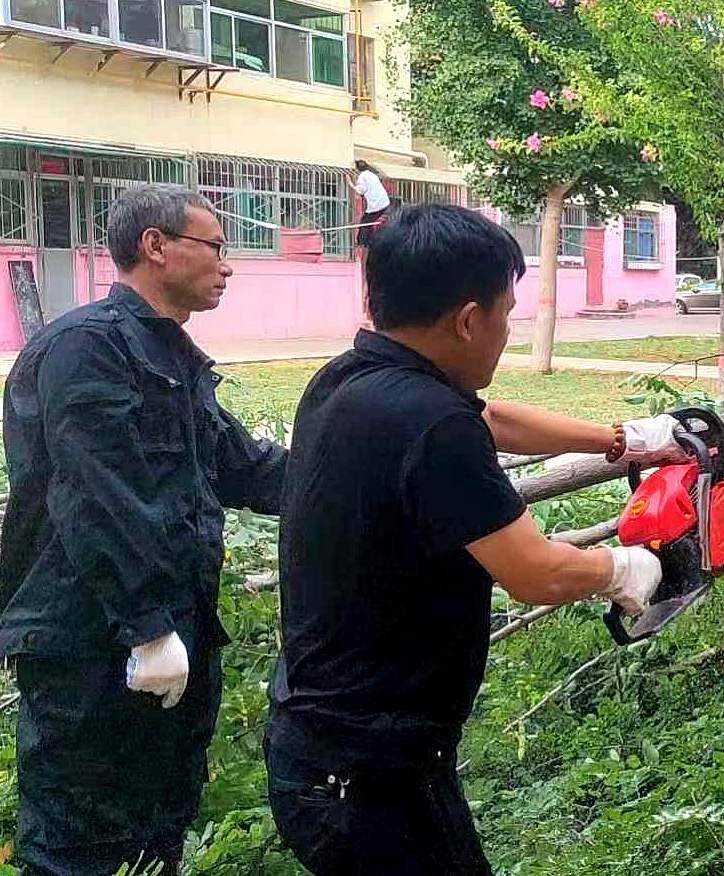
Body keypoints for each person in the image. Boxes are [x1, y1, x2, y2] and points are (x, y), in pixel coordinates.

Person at [265, 203, 680, 875]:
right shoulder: (431, 425)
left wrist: (625, 440)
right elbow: (535, 573)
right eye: (505, 313)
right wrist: (626, 569)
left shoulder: (351, 380)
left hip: (321, 749)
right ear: (466, 319)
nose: (506, 331)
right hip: (373, 773)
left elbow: (494, 420)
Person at [0, 184, 287, 875]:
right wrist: (148, 628)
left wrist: (361, 470)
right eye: (214, 246)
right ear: (155, 246)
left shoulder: (173, 358)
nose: (226, 264)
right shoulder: (86, 351)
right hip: (89, 638)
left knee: (159, 817)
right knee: (78, 834)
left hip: (169, 629)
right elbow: (98, 500)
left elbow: (246, 469)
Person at [349, 160, 392, 249]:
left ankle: (363, 242)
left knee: (364, 223)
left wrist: (350, 184)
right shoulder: (372, 174)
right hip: (385, 203)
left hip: (376, 206)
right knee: (372, 222)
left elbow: (360, 190)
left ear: (357, 170)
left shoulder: (362, 176)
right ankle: (370, 239)